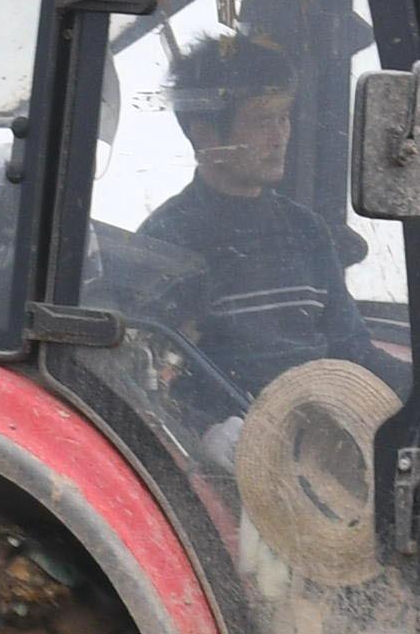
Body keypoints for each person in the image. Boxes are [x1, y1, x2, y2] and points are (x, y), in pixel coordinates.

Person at [131, 27, 381, 411]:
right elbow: (149, 380)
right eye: (262, 121)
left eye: (284, 118)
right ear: (205, 136)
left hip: (319, 426)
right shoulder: (167, 241)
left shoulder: (306, 230)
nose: (280, 137)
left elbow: (353, 350)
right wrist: (208, 432)